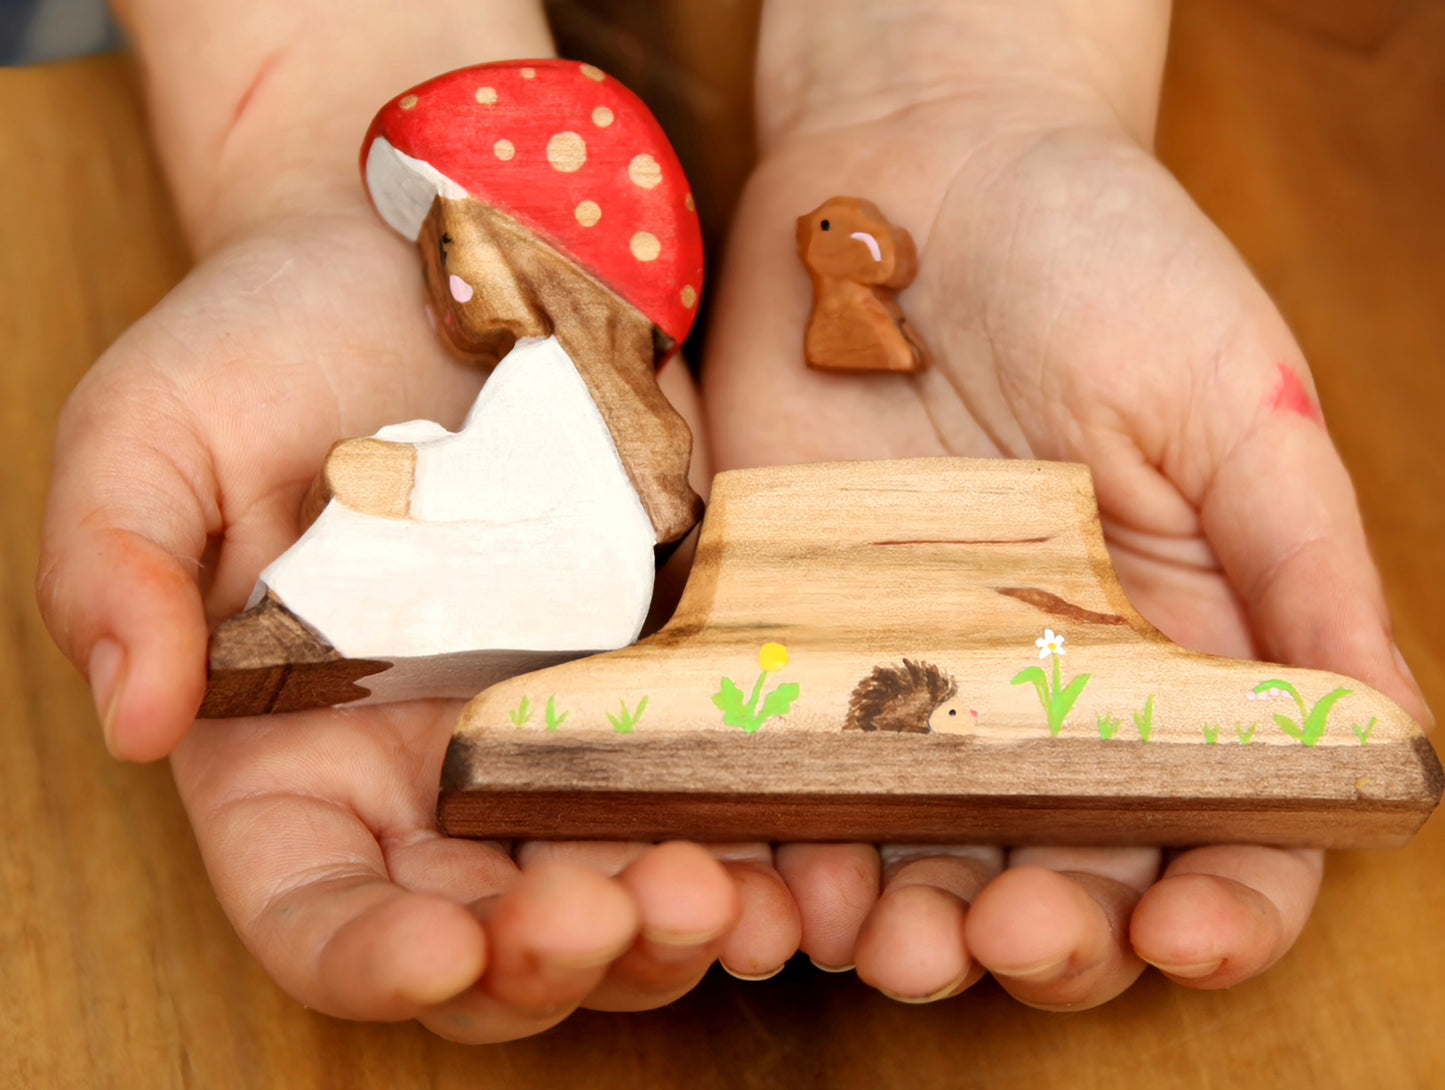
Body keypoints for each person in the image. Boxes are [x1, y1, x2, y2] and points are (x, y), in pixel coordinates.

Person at [36, 0, 1432, 1042]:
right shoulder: (535, 370)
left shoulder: (576, 392)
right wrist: (312, 124)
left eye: (461, 244)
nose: (449, 284)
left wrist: (957, 75)